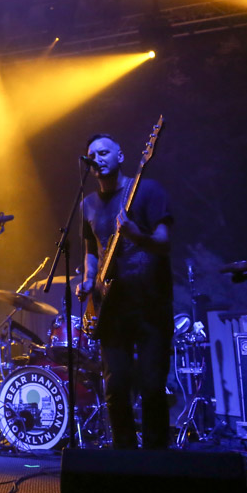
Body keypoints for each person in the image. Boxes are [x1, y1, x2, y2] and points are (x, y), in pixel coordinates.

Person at [75, 133, 173, 449]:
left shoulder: (147, 190)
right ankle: (124, 459)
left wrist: (135, 234)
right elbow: (92, 249)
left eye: (104, 152)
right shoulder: (87, 204)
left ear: (120, 156)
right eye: (92, 155)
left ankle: (157, 462)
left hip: (150, 304)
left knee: (152, 386)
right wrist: (89, 282)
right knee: (116, 386)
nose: (97, 159)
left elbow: (164, 241)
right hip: (111, 309)